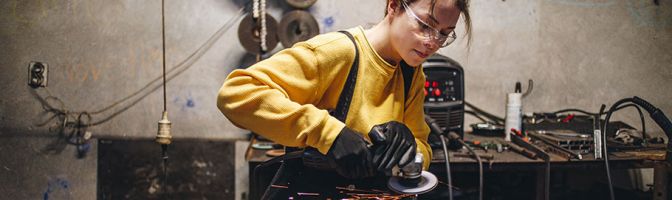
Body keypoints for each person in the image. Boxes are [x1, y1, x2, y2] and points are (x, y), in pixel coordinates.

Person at [218, 0, 472, 179]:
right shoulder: (336, 52)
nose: (433, 43)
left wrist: (410, 151)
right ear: (394, 5)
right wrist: (329, 133)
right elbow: (236, 93)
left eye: (444, 34)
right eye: (426, 25)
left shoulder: (411, 72)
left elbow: (424, 147)